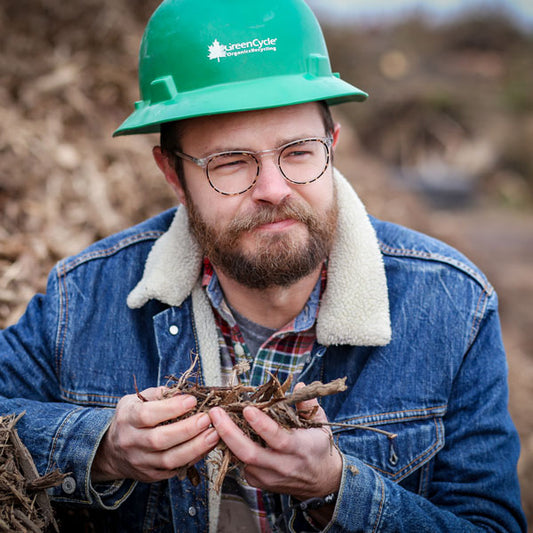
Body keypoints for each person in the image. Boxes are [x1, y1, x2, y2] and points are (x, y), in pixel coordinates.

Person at [0, 0, 526, 531]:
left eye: (299, 152)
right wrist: (103, 448)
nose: (274, 190)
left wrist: (338, 490)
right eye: (230, 163)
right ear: (174, 176)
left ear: (334, 144)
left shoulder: (453, 305)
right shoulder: (84, 297)